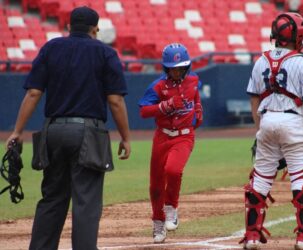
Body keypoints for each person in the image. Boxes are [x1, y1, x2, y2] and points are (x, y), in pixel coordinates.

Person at [5, 6, 131, 250]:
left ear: (69, 26)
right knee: (86, 203)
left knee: (52, 199)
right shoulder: (106, 53)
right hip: (88, 132)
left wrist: (17, 131)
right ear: (96, 29)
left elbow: (33, 93)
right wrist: (125, 137)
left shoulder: (51, 48)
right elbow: (115, 100)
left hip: (52, 132)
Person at [240, 12, 303, 250]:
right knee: (302, 179)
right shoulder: (302, 61)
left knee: (259, 179)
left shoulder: (261, 60)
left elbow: (253, 99)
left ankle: (251, 236)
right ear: (296, 36)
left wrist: (260, 131)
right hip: (292, 122)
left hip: (267, 120)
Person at [138, 43, 203, 243]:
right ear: (166, 68)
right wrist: (164, 106)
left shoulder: (193, 81)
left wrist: (198, 112)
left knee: (173, 170)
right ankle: (158, 223)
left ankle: (171, 208)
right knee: (156, 184)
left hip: (184, 136)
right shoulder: (157, 86)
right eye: (173, 68)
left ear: (187, 66)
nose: (177, 71)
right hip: (162, 136)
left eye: (181, 67)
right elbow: (143, 111)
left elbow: (196, 100)